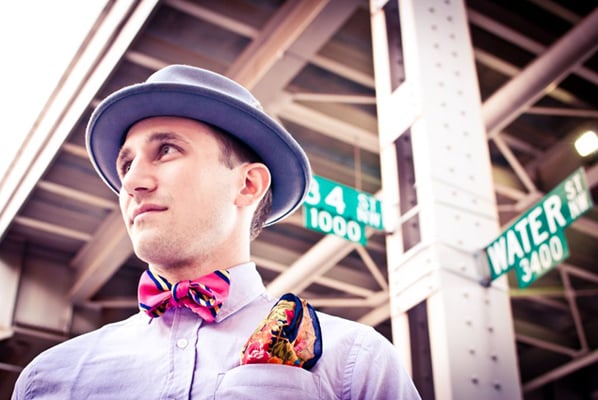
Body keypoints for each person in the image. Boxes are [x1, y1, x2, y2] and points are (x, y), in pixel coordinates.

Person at [12, 65, 421, 399]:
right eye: (125, 165)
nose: (132, 182)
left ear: (247, 185)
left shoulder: (355, 362)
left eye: (166, 150)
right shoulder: (47, 380)